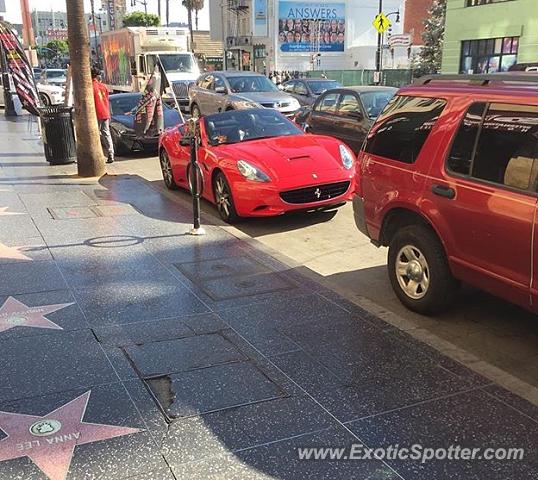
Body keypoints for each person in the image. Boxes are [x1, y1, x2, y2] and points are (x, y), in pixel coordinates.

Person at [91, 67, 114, 164]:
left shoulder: (90, 87)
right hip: (105, 112)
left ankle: (97, 154)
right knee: (106, 133)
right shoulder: (103, 87)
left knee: (95, 134)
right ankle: (111, 153)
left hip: (96, 113)